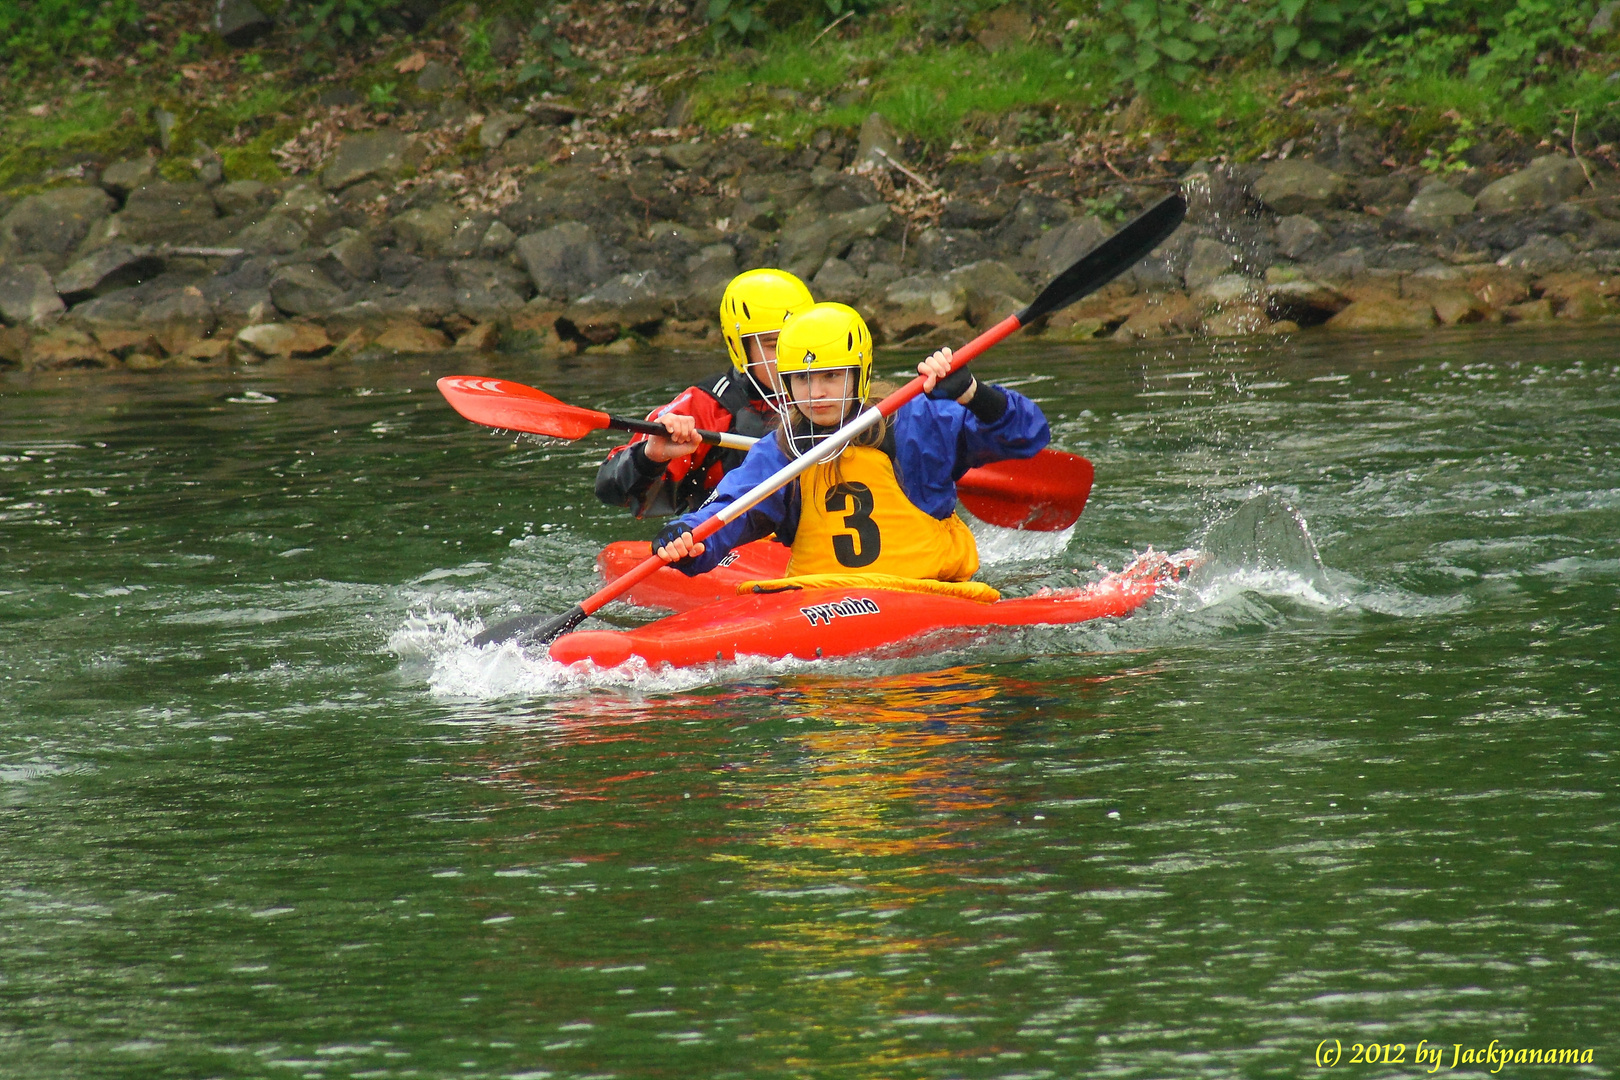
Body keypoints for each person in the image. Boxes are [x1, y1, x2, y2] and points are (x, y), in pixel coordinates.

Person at [651, 302, 1050, 583]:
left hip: (924, 591)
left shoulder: (918, 422)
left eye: (831, 377)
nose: (817, 393)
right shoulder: (782, 449)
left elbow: (1027, 436)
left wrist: (973, 394)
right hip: (821, 598)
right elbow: (730, 511)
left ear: (859, 374)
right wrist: (687, 535)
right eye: (803, 379)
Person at [593, 268, 813, 517]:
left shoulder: (837, 397)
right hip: (733, 539)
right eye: (774, 345)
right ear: (738, 346)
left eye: (798, 342)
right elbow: (611, 489)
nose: (790, 359)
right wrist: (651, 456)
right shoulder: (706, 406)